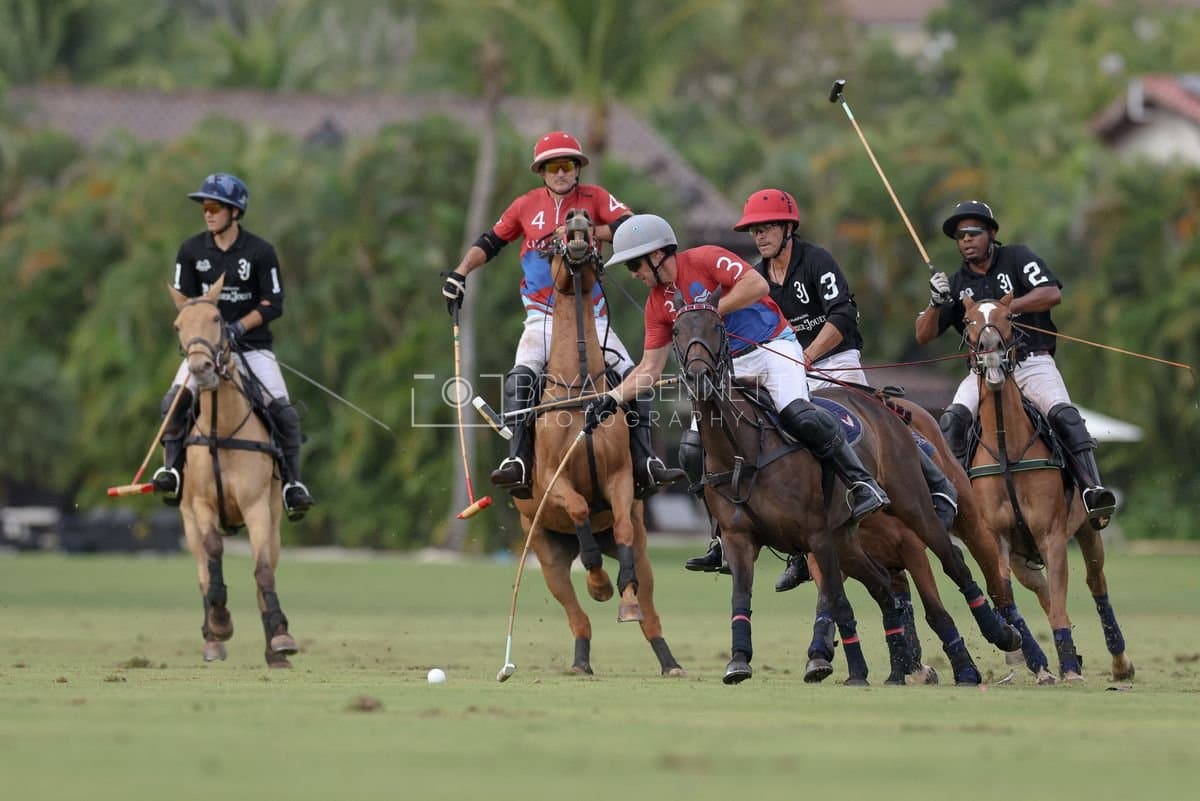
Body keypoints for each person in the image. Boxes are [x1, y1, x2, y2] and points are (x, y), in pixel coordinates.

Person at [684, 189, 958, 588]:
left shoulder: (816, 261)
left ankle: (936, 479)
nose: (760, 236)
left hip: (835, 361)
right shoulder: (755, 279)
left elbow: (843, 314)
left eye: (767, 227)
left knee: (870, 421)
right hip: (789, 366)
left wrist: (807, 356)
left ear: (788, 228)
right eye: (754, 230)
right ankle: (790, 540)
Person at [589, 213, 890, 544]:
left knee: (797, 413)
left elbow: (757, 284)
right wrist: (612, 398)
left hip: (773, 346)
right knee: (692, 450)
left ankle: (862, 482)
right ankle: (720, 534)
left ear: (657, 254)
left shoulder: (705, 258)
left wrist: (709, 311)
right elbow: (649, 368)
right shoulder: (657, 304)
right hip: (729, 367)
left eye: (635, 266)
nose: (634, 275)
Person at [442, 131, 684, 500]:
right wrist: (460, 274)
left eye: (567, 165)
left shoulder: (597, 198)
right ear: (541, 171)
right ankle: (519, 462)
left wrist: (587, 231)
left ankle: (644, 459)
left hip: (593, 317)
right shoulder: (525, 205)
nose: (561, 173)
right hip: (541, 317)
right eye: (553, 166)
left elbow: (630, 226)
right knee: (521, 376)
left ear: (577, 169)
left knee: (633, 375)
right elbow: (490, 242)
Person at [917, 199, 1117, 530]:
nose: (966, 239)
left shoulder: (1018, 258)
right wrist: (935, 304)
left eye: (973, 232)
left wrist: (1002, 310)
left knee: (1063, 413)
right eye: (960, 235)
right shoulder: (955, 283)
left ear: (991, 233)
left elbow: (1051, 293)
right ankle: (952, 499)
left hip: (1030, 362)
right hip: (983, 369)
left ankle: (1091, 490)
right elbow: (924, 334)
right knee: (952, 420)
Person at [151, 172, 314, 521]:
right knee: (173, 401)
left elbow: (274, 303)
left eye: (214, 206)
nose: (207, 213)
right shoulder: (191, 250)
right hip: (204, 350)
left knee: (283, 411)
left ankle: (292, 486)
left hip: (252, 348)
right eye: (203, 207)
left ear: (235, 212)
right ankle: (173, 472)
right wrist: (206, 333)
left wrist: (239, 326)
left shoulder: (260, 252)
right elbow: (185, 303)